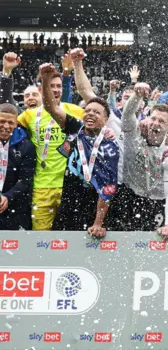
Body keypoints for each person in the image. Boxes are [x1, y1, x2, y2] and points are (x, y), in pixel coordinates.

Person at [38, 63, 118, 237]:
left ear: (105, 120)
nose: (90, 114)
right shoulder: (75, 128)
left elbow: (108, 188)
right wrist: (45, 80)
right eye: (87, 110)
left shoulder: (109, 146)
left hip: (93, 206)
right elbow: (51, 107)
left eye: (96, 113)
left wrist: (98, 223)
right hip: (68, 202)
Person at [17, 64, 84, 231]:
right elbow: (7, 127)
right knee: (40, 239)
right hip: (42, 186)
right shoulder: (28, 115)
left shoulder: (75, 111)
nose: (56, 90)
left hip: (69, 185)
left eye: (59, 86)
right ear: (42, 89)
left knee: (70, 236)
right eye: (51, 86)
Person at [109, 83, 168, 240]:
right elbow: (127, 114)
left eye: (161, 121)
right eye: (153, 118)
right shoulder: (134, 134)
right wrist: (137, 95)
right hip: (128, 195)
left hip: (155, 201)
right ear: (147, 119)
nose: (155, 123)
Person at [0, 103, 35, 230]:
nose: (6, 126)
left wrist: (8, 196)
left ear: (16, 124)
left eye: (10, 122)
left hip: (16, 206)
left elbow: (26, 179)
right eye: (2, 121)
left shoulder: (26, 146)